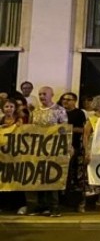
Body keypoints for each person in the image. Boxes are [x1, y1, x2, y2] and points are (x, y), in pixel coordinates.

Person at [28, 87, 68, 217]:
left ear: (52, 95)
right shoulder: (35, 111)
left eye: (44, 94)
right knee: (36, 176)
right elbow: (29, 129)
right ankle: (36, 206)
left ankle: (54, 207)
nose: (41, 96)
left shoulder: (59, 110)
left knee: (52, 177)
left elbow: (64, 129)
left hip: (53, 149)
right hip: (36, 149)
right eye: (40, 94)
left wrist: (66, 146)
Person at [59, 93, 87, 212]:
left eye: (69, 100)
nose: (65, 101)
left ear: (75, 101)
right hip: (58, 147)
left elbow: (83, 130)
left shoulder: (79, 113)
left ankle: (71, 201)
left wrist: (68, 129)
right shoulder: (58, 112)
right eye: (64, 99)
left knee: (72, 174)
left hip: (74, 147)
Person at [1, 99, 26, 214]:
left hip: (16, 155)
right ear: (2, 109)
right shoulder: (0, 121)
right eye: (6, 106)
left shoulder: (20, 121)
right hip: (2, 156)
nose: (9, 109)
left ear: (15, 108)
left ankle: (21, 205)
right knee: (3, 180)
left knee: (16, 179)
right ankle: (5, 205)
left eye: (11, 106)